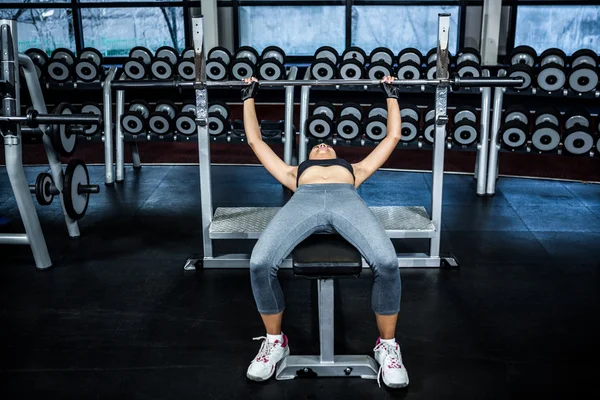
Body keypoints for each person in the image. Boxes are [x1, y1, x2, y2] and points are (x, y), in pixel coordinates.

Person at [241, 75, 408, 389]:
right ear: (307, 159)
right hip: (303, 202)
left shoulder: (355, 170)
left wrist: (391, 94)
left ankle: (388, 347)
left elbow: (392, 137)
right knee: (259, 264)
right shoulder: (294, 173)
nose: (322, 144)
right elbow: (256, 142)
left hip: (347, 201)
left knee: (387, 263)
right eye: (316, 145)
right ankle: (276, 342)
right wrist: (248, 97)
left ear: (337, 156)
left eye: (327, 144)